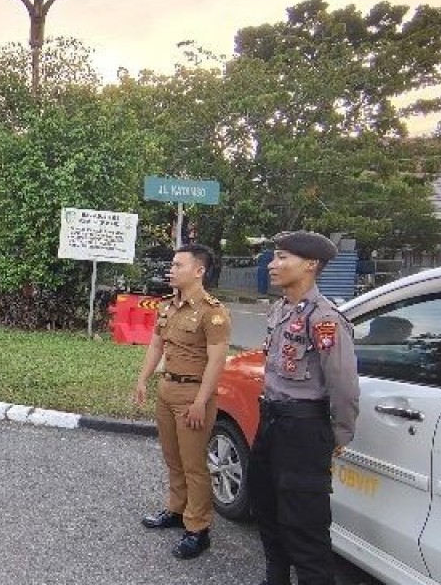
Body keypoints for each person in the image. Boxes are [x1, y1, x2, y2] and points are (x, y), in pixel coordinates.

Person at [251, 231, 360, 585]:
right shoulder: (280, 310)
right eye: (274, 256)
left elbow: (343, 384)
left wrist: (338, 434)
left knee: (304, 527)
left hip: (303, 430)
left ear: (311, 264)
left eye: (282, 257)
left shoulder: (325, 318)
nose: (273, 264)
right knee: (266, 509)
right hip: (271, 422)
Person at [134, 243, 231, 559]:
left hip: (193, 396)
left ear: (199, 270)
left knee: (194, 465)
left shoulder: (213, 312)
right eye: (172, 265)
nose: (171, 270)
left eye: (178, 265)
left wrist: (201, 401)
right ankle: (177, 510)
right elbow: (156, 346)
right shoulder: (168, 306)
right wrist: (143, 380)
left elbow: (217, 361)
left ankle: (198, 529)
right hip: (167, 390)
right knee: (173, 458)